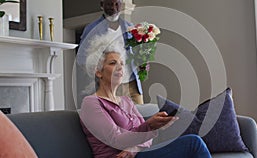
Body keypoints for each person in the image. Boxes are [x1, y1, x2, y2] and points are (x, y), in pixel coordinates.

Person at [79, 41, 212, 158]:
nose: (120, 67)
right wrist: (149, 126)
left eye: (122, 63)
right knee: (193, 143)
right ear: (98, 71)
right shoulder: (91, 103)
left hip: (138, 154)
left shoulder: (126, 101)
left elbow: (149, 137)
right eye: (113, 63)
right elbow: (115, 140)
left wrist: (135, 147)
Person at [77, 0, 144, 106]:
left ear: (121, 5)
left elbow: (137, 52)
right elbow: (81, 59)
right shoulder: (91, 29)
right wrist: (97, 74)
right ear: (102, 5)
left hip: (132, 82)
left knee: (141, 115)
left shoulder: (129, 27)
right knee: (119, 118)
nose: (113, 7)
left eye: (116, 4)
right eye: (109, 4)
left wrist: (141, 63)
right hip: (110, 84)